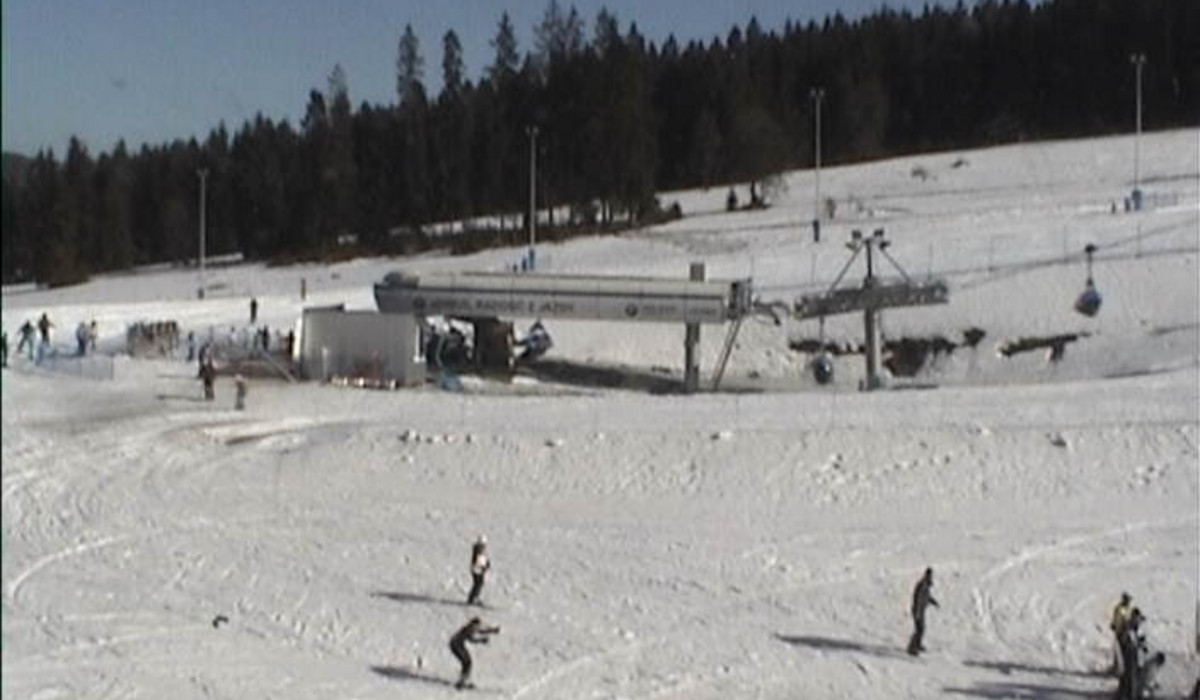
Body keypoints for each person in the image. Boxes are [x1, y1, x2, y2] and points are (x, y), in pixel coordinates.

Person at [448, 617, 500, 690]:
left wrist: (492, 631)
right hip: (456, 645)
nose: (477, 627)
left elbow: (480, 631)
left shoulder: (470, 628)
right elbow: (472, 639)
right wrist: (482, 640)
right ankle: (462, 681)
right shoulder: (469, 628)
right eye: (477, 625)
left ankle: (463, 680)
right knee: (467, 662)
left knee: (467, 662)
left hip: (457, 644)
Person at [907, 567, 939, 656]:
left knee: (922, 628)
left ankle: (918, 644)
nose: (930, 577)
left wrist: (933, 602)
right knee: (919, 629)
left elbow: (927, 596)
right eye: (929, 575)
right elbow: (918, 599)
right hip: (918, 610)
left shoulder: (926, 585)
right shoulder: (922, 585)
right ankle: (911, 648)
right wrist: (917, 612)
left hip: (921, 610)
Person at [1110, 592, 1134, 675]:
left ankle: (1125, 667)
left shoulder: (1129, 608)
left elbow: (1130, 617)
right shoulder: (1120, 608)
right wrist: (1115, 625)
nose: (1129, 601)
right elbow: (1117, 619)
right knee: (1120, 649)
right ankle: (1118, 667)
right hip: (1121, 631)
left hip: (1127, 631)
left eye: (1129, 600)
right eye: (1127, 600)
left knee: (1127, 649)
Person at [467, 535, 490, 606]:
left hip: (477, 569)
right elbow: (479, 561)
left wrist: (487, 564)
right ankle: (474, 598)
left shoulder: (479, 550)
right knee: (479, 583)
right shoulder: (479, 550)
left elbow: (484, 559)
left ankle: (472, 598)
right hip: (477, 570)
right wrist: (484, 567)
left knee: (478, 584)